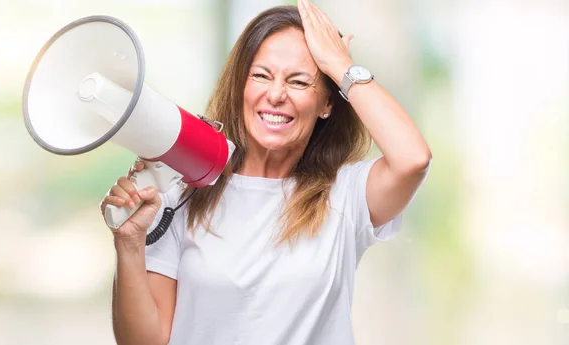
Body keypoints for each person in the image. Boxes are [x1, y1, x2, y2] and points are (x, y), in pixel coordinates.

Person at [99, 1, 431, 344]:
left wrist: (339, 64)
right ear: (241, 86)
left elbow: (413, 159)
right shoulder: (184, 192)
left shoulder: (346, 195)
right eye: (261, 75)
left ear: (328, 103)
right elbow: (144, 341)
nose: (275, 94)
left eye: (299, 82)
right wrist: (129, 243)